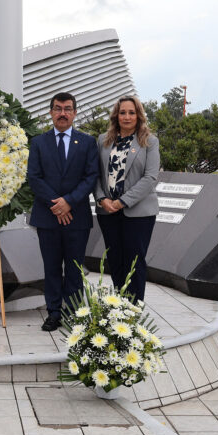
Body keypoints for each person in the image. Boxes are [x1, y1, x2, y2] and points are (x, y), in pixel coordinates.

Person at [27, 92, 99, 331]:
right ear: (50, 112)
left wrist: (68, 202)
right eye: (57, 109)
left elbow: (90, 177)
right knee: (51, 268)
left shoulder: (88, 143)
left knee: (75, 269)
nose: (62, 113)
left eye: (68, 109)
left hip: (77, 217)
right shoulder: (38, 142)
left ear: (75, 113)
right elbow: (34, 178)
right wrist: (56, 206)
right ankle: (54, 313)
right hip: (47, 218)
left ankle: (74, 312)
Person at [94, 96, 159, 302]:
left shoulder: (149, 141)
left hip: (138, 213)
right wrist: (101, 198)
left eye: (132, 113)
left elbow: (150, 178)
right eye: (123, 112)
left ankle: (133, 309)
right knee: (115, 260)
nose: (127, 117)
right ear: (116, 115)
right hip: (108, 212)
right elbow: (95, 175)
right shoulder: (103, 140)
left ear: (139, 116)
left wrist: (122, 201)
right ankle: (119, 305)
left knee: (134, 261)